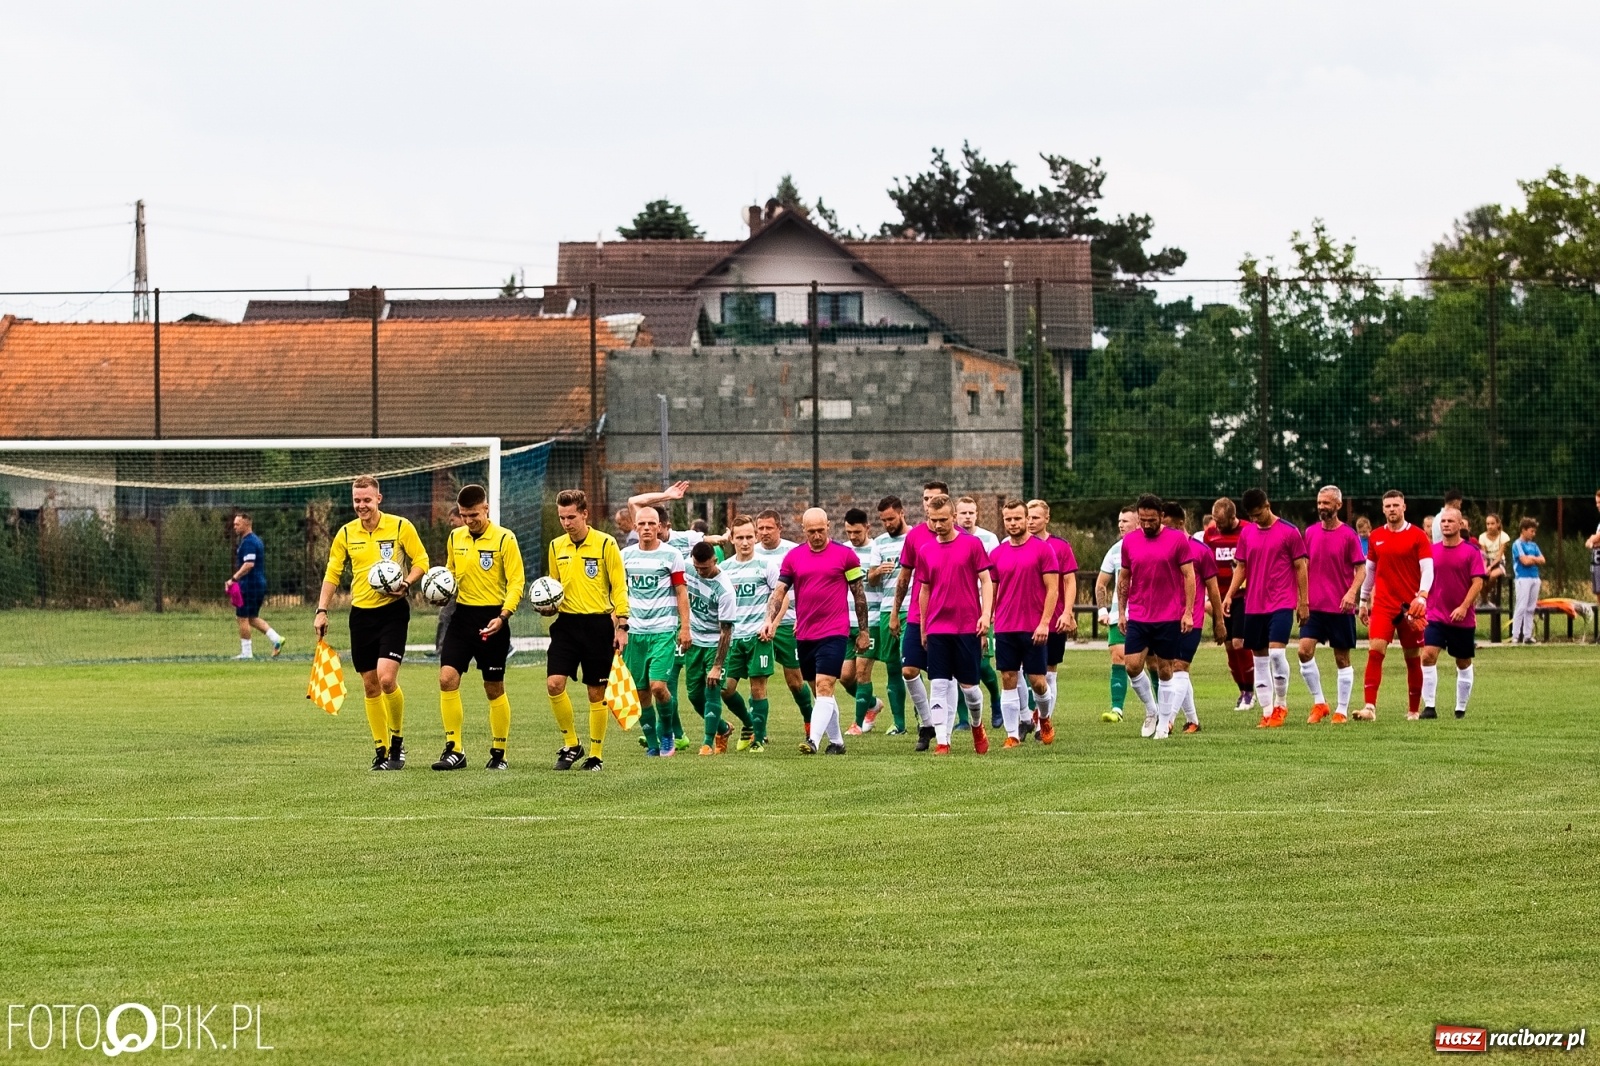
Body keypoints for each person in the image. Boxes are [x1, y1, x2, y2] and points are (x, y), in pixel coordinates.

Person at [314, 475, 429, 771]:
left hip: (393, 611)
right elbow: (332, 573)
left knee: (387, 679)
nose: (361, 505)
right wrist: (322, 610)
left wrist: (407, 583)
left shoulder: (401, 526)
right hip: (361, 615)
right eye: (357, 500)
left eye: (366, 499)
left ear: (379, 499)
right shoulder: (346, 533)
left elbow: (421, 561)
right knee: (370, 685)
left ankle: (397, 742)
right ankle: (381, 749)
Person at [431, 484, 525, 771]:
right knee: (447, 679)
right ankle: (454, 750)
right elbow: (450, 573)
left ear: (486, 509)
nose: (468, 520)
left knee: (493, 687)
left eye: (474, 515)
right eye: (464, 515)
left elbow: (516, 582)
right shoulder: (455, 537)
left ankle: (499, 753)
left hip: (493, 618)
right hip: (462, 617)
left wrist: (504, 615)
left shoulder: (505, 539)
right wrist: (440, 591)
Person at [761, 508, 869, 755]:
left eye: (821, 530)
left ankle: (813, 741)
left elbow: (859, 595)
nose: (817, 536)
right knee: (820, 691)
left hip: (835, 631)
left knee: (824, 685)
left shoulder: (846, 556)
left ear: (828, 526)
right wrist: (769, 619)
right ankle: (837, 742)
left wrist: (864, 631)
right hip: (805, 633)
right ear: (803, 530)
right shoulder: (793, 557)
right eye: (812, 532)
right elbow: (779, 591)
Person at [541, 488, 630, 771]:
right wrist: (547, 605)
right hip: (566, 625)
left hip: (597, 625)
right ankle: (572, 744)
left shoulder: (605, 544)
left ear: (585, 514)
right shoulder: (556, 546)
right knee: (554, 684)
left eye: (571, 517)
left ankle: (595, 755)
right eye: (562, 517)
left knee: (596, 692)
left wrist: (622, 625)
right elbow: (553, 586)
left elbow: (619, 586)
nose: (566, 523)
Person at [913, 494, 995, 754]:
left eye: (943, 520)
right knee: (938, 684)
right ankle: (942, 741)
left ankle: (977, 725)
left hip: (967, 626)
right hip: (938, 627)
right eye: (933, 520)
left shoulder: (972, 544)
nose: (938, 525)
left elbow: (986, 580)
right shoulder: (926, 551)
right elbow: (924, 590)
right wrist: (924, 625)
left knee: (969, 689)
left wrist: (985, 614)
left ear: (954, 517)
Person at [1223, 488, 1309, 728]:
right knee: (1259, 658)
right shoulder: (1247, 533)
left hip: (1281, 602)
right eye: (1251, 516)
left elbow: (1301, 567)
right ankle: (1267, 710)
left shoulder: (1289, 532)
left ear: (1267, 506)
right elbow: (1241, 567)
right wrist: (1229, 595)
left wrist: (1303, 601)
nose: (1255, 519)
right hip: (1254, 604)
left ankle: (1280, 704)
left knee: (1277, 654)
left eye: (1258, 514)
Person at [1115, 494, 1196, 740]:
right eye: (1143, 520)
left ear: (1161, 516)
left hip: (1168, 615)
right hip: (1139, 614)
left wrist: (1188, 612)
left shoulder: (1177, 540)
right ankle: (1151, 710)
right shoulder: (1130, 541)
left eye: (1151, 520)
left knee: (1165, 670)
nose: (1147, 524)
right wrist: (1121, 612)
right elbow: (1124, 578)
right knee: (1131, 666)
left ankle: (1164, 723)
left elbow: (1189, 576)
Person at [889, 482, 959, 749]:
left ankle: (944, 732)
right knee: (908, 670)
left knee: (945, 678)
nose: (930, 502)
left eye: (935, 498)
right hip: (918, 615)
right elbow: (904, 577)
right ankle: (927, 723)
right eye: (926, 498)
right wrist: (895, 612)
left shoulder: (961, 537)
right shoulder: (915, 537)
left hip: (949, 619)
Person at [621, 506, 691, 757]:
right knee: (641, 692)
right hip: (635, 633)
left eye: (652, 523)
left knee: (658, 686)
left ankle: (667, 734)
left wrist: (685, 627)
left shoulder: (672, 555)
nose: (647, 528)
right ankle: (652, 743)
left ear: (660, 526)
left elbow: (681, 592)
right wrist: (618, 628)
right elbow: (618, 594)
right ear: (635, 527)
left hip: (663, 631)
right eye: (642, 524)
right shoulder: (624, 556)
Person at [989, 499, 1060, 746]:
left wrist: (1044, 623)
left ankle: (1044, 718)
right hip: (1005, 627)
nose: (1013, 523)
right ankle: (1011, 735)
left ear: (1027, 519)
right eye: (1008, 519)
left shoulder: (1043, 550)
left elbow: (1053, 590)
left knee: (1038, 682)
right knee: (1008, 677)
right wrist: (987, 616)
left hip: (1033, 627)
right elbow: (991, 591)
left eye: (1017, 518)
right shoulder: (997, 554)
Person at [1357, 490, 1433, 721]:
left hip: (1411, 608)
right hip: (1383, 605)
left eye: (1396, 505)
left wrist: (1422, 596)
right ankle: (1369, 707)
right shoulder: (1376, 536)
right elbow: (1370, 571)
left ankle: (1413, 710)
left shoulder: (1418, 536)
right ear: (1383, 509)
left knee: (1412, 657)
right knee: (1375, 650)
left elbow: (1427, 569)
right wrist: (1363, 600)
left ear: (1404, 507)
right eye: (1388, 505)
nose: (1392, 509)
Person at [1297, 485, 1366, 724]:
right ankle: (1320, 703)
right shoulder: (1310, 533)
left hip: (1340, 607)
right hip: (1314, 606)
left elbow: (1361, 569)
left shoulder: (1348, 535)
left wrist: (1351, 593)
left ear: (1338, 505)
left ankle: (1341, 710)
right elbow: (1302, 567)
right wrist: (1301, 599)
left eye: (1326, 503)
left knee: (1342, 659)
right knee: (1303, 651)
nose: (1321, 507)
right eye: (1319, 503)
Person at [719, 514, 782, 751]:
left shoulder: (766, 566)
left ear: (755, 537)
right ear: (732, 539)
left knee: (758, 688)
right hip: (732, 639)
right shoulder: (724, 569)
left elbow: (781, 596)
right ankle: (748, 723)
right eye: (740, 538)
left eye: (749, 537)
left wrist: (770, 623)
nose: (745, 542)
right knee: (725, 689)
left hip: (758, 637)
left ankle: (758, 739)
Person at [1162, 502, 1224, 734]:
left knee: (1180, 666)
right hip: (1164, 617)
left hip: (1191, 619)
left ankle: (1167, 721)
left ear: (1181, 523)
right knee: (1171, 668)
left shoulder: (1200, 550)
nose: (1164, 531)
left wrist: (1219, 621)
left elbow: (1213, 589)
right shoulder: (1162, 549)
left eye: (1168, 526)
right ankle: (1193, 720)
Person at [1422, 506, 1486, 719]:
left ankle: (1460, 708)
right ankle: (1429, 707)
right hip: (1435, 615)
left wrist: (1464, 607)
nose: (1446, 524)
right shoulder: (1431, 551)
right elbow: (1423, 580)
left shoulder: (1471, 552)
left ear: (1460, 524)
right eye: (1443, 521)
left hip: (1462, 618)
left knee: (1463, 661)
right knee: (1428, 655)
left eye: (1450, 521)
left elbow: (1478, 583)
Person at [754, 509, 814, 732]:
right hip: (758, 626)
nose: (764, 532)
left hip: (789, 623)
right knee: (757, 680)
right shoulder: (752, 553)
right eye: (760, 528)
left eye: (769, 528)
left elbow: (806, 587)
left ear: (779, 528)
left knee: (795, 681)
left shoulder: (794, 552)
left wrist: (803, 616)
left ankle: (810, 720)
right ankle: (759, 732)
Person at [684, 542, 743, 755]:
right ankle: (723, 728)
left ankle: (708, 743)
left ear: (715, 561)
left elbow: (726, 631)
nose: (700, 572)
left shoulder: (725, 590)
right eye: (697, 567)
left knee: (712, 690)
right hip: (694, 642)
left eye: (705, 568)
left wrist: (717, 666)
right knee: (694, 695)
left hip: (715, 643)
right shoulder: (688, 568)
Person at [1025, 499, 1079, 731]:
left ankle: (1042, 724)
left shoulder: (1060, 546)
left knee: (1049, 671)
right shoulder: (1015, 545)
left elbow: (1069, 581)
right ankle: (1024, 717)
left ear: (1047, 519)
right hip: (1024, 618)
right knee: (1021, 672)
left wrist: (1067, 612)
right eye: (1028, 517)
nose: (1030, 521)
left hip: (1053, 619)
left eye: (1035, 517)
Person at [1204, 498, 1257, 711]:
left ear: (1233, 517)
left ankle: (1251, 691)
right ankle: (1242, 690)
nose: (1216, 525)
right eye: (1214, 520)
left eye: (1220, 521)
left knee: (1239, 643)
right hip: (1220, 597)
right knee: (1228, 647)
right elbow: (1207, 564)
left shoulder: (1248, 530)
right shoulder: (1210, 534)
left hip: (1243, 595)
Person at [955, 496, 1004, 726]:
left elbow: (994, 577)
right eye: (963, 513)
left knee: (983, 664)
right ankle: (964, 718)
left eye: (971, 513)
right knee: (956, 666)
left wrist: (990, 609)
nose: (967, 517)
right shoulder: (949, 538)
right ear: (955, 515)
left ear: (977, 515)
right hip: (956, 610)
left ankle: (996, 699)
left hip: (981, 609)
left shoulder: (989, 539)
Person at [841, 508, 885, 735]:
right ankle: (873, 704)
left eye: (857, 532)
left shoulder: (877, 550)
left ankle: (857, 724)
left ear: (867, 527)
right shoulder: (842, 551)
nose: (852, 537)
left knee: (862, 672)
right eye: (848, 532)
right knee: (845, 677)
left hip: (871, 621)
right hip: (845, 622)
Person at [870, 496, 912, 735]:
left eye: (891, 519)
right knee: (893, 667)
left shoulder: (915, 537)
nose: (887, 524)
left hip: (912, 609)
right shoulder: (879, 543)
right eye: (883, 520)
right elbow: (871, 579)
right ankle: (899, 723)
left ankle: (925, 719)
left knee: (912, 666)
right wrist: (877, 571)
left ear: (902, 513)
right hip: (887, 611)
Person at [1096, 507, 1138, 722]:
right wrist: (1103, 610)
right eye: (1119, 521)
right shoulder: (1115, 550)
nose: (1121, 525)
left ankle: (1162, 710)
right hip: (1119, 614)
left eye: (1125, 521)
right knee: (1118, 657)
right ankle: (1117, 709)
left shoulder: (1150, 546)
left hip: (1146, 613)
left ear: (1138, 523)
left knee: (1154, 663)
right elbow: (1101, 583)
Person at [226, 511, 283, 660]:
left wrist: (233, 579)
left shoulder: (249, 542)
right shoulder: (255, 540)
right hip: (258, 583)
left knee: (241, 617)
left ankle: (246, 653)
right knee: (252, 617)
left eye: (237, 524)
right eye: (234, 524)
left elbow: (249, 564)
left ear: (247, 524)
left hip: (250, 585)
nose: (235, 527)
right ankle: (276, 639)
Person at [433, 505, 466, 657]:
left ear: (462, 517)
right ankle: (441, 649)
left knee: (477, 618)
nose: (451, 523)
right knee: (446, 615)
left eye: (453, 520)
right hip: (455, 586)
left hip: (470, 587)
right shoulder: (454, 538)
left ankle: (505, 646)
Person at [1510, 517, 1546, 645]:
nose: (1533, 534)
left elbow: (1543, 560)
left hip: (1535, 577)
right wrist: (1534, 559)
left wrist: (1532, 558)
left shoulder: (1534, 545)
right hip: (1523, 578)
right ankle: (1515, 635)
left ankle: (1527, 635)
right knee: (1521, 606)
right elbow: (1524, 561)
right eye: (1531, 531)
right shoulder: (1517, 544)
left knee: (1531, 608)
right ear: (1523, 530)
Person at [1478, 513, 1512, 609]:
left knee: (1493, 576)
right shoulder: (1482, 537)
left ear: (1498, 524)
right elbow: (1484, 555)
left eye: (1492, 524)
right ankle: (1485, 601)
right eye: (1488, 524)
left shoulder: (1503, 536)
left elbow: (1499, 556)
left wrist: (1490, 567)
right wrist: (1485, 567)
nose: (1490, 526)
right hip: (1487, 561)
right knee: (1479, 577)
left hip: (1499, 562)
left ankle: (1484, 598)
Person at [1588, 490, 1600, 642]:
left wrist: (1593, 540)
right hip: (1597, 562)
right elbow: (1591, 541)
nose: (1598, 505)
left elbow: (1595, 539)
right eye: (1596, 502)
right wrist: (1592, 540)